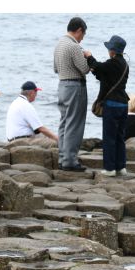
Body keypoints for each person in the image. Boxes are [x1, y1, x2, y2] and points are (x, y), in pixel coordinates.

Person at [87, 35, 130, 177]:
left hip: (112, 105)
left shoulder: (111, 63)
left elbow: (99, 67)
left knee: (109, 137)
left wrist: (89, 57)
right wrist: (95, 69)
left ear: (112, 50)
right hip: (124, 104)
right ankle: (121, 167)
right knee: (120, 137)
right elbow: (105, 76)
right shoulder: (124, 65)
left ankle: (110, 168)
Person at [52, 17, 91, 171]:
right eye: (83, 35)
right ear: (79, 30)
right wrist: (87, 56)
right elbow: (85, 69)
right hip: (75, 86)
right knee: (75, 124)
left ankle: (63, 158)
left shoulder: (59, 44)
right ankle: (70, 161)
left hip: (62, 85)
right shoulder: (74, 46)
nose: (82, 38)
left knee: (64, 122)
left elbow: (55, 69)